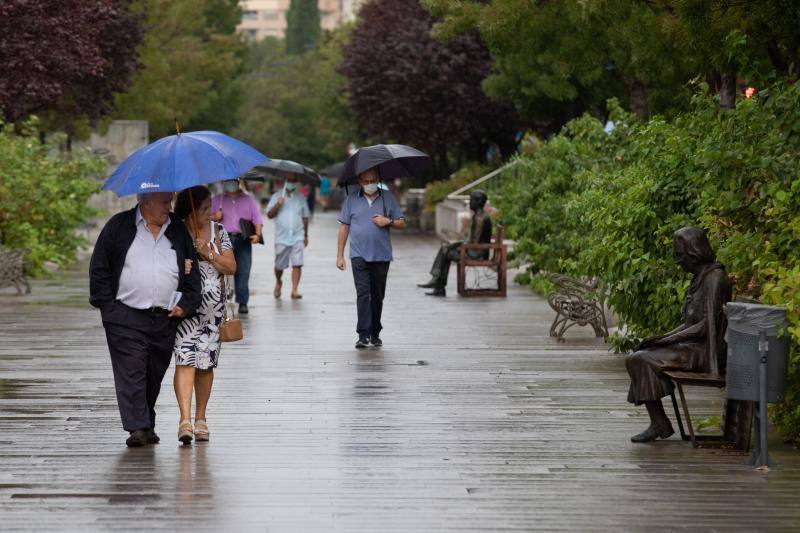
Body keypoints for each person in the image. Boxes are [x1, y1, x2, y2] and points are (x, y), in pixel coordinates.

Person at [89, 192, 201, 447]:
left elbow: (191, 270)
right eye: (164, 202)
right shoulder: (118, 226)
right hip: (124, 315)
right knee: (132, 370)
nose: (169, 207)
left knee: (153, 373)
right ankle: (137, 427)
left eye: (170, 202)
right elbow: (99, 268)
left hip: (165, 317)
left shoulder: (178, 230)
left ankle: (145, 421)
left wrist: (186, 305)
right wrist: (107, 307)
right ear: (145, 201)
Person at [625, 227, 731, 442]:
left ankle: (659, 423)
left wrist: (668, 339)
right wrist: (660, 338)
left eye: (680, 256)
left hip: (704, 351)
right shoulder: (700, 277)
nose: (678, 262)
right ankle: (659, 422)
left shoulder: (714, 278)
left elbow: (705, 327)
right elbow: (688, 324)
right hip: (693, 346)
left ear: (694, 253)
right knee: (642, 353)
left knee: (639, 359)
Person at [172, 186, 237, 444]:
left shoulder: (218, 232)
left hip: (212, 310)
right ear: (191, 210)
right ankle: (184, 420)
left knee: (206, 363)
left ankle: (201, 418)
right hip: (185, 307)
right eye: (204, 209)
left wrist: (208, 253)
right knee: (185, 358)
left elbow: (231, 266)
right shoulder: (175, 231)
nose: (210, 213)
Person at [336, 168, 406, 348]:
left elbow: (402, 222)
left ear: (378, 179)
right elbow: (344, 227)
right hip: (358, 255)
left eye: (373, 180)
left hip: (381, 255)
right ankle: (363, 334)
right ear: (359, 181)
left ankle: (375, 332)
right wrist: (340, 256)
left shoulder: (387, 197)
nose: (370, 184)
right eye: (366, 181)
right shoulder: (351, 199)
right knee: (362, 294)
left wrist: (387, 221)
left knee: (377, 296)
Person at [418, 189, 493, 297]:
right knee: (446, 248)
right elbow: (472, 240)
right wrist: (457, 244)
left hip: (477, 254)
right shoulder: (478, 215)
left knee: (445, 251)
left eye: (472, 200)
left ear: (479, 202)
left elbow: (474, 243)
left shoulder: (480, 218)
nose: (470, 202)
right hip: (475, 250)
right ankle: (437, 284)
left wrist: (458, 246)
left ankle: (437, 283)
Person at [211, 179, 263, 315]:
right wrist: (215, 217)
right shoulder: (217, 200)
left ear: (238, 182)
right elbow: (205, 218)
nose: (231, 184)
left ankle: (243, 301)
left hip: (243, 239)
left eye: (233, 181)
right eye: (227, 181)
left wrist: (257, 234)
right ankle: (220, 298)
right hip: (222, 238)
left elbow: (257, 218)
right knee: (221, 270)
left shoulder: (249, 200)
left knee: (244, 271)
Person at [266, 173, 310, 300]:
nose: (291, 182)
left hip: (298, 235)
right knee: (279, 265)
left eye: (293, 180)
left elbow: (305, 217)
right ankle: (278, 281)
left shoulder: (301, 198)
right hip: (281, 237)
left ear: (296, 182)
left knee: (297, 263)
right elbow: (269, 215)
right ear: (284, 180)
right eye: (289, 180)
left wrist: (306, 235)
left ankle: (294, 290)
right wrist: (278, 205)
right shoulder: (276, 196)